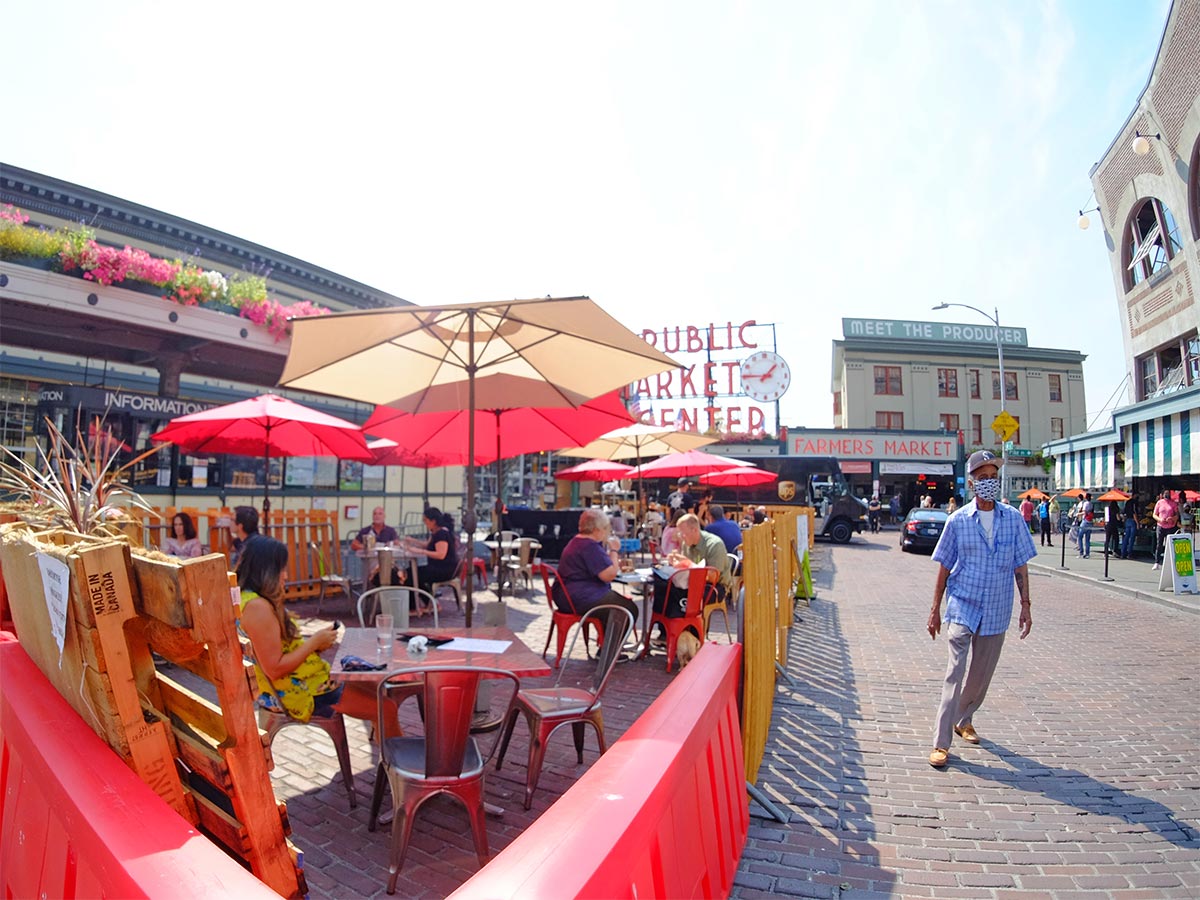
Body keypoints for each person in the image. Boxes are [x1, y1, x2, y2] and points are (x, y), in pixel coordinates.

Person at [926, 450, 1035, 769]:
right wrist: (935, 609)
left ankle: (964, 718)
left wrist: (1026, 605)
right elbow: (944, 566)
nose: (990, 483)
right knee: (955, 671)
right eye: (984, 477)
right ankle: (941, 742)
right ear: (972, 483)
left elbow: (1021, 564)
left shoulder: (1013, 518)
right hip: (963, 604)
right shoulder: (958, 520)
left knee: (981, 674)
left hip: (998, 607)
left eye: (994, 477)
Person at [237, 536, 388, 731]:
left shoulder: (249, 600)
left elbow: (274, 652)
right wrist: (313, 643)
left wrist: (315, 646)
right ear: (266, 571)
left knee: (374, 688)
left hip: (300, 681)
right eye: (282, 569)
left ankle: (387, 754)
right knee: (386, 707)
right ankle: (398, 761)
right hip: (296, 693)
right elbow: (274, 668)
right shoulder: (257, 608)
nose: (285, 576)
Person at [551, 508, 638, 621]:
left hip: (566, 596)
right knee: (627, 609)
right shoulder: (589, 546)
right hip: (579, 597)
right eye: (605, 528)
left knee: (615, 603)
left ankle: (605, 637)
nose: (606, 532)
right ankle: (612, 639)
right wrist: (614, 551)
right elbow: (608, 576)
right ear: (597, 530)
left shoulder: (577, 541)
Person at [653, 513, 732, 618]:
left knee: (685, 597)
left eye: (682, 534)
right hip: (693, 581)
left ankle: (692, 630)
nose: (679, 537)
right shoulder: (687, 544)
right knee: (664, 589)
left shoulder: (714, 544)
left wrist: (688, 564)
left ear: (694, 530)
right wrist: (676, 563)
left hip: (715, 586)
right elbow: (686, 568)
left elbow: (713, 577)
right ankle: (666, 628)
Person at [402, 506, 458, 596]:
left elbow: (441, 554)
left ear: (433, 521)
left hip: (443, 570)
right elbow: (427, 545)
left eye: (425, 520)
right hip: (439, 567)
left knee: (410, 574)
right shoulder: (436, 532)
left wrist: (420, 551)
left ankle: (424, 602)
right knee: (411, 572)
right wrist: (412, 541)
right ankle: (428, 601)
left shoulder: (441, 534)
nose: (424, 523)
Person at [1151, 489, 1180, 570]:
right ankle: (1157, 562)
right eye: (1165, 493)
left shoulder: (1173, 503)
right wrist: (1160, 519)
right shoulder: (1159, 503)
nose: (1167, 495)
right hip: (1161, 526)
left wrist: (1172, 518)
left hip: (1170, 526)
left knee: (1170, 545)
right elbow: (1154, 514)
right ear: (1162, 494)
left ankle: (1170, 562)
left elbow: (1177, 515)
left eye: (1168, 493)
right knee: (1159, 544)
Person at [231, 505, 261, 570]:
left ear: (240, 526)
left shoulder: (248, 548)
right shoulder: (244, 541)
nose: (230, 523)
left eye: (232, 520)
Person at [1121, 495, 1139, 560]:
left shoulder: (1127, 503)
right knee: (1131, 538)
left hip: (1127, 520)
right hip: (1132, 521)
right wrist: (1137, 523)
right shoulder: (1133, 503)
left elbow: (1124, 513)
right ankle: (1129, 553)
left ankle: (1123, 553)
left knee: (1126, 537)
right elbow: (1134, 513)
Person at [1076, 492, 1094, 559]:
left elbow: (1084, 512)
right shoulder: (1091, 504)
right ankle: (1087, 553)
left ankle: (1081, 552)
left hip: (1085, 521)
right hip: (1090, 522)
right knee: (1087, 539)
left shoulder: (1085, 503)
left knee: (1080, 536)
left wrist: (1078, 514)